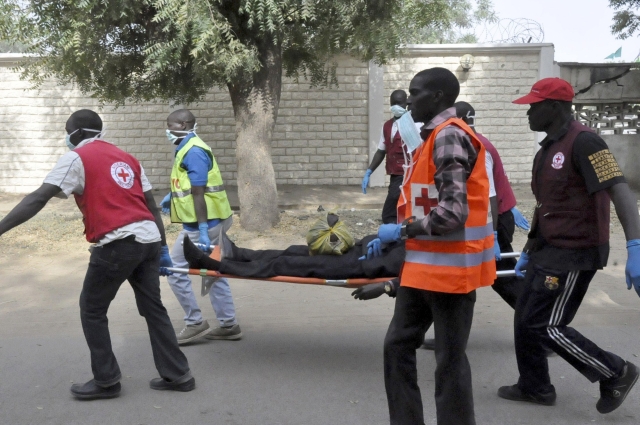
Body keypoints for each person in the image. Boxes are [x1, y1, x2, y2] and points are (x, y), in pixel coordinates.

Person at [0, 110, 194, 400]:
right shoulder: (128, 158)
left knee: (92, 309)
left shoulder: (77, 158)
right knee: (153, 308)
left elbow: (39, 197)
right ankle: (179, 375)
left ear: (76, 133)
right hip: (149, 240)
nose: (66, 138)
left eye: (67, 132)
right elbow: (151, 206)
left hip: (118, 243)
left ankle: (106, 381)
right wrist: (162, 248)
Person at [498, 77, 640, 414]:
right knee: (525, 315)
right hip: (548, 247)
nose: (528, 111)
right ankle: (535, 386)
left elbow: (619, 190)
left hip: (576, 251)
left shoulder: (587, 142)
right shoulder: (547, 149)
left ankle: (616, 371)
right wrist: (530, 246)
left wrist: (635, 244)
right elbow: (547, 203)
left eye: (534, 105)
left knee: (545, 323)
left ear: (556, 107)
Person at [374, 67, 496, 425]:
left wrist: (404, 231)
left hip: (451, 274)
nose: (408, 100)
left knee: (449, 361)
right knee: (398, 347)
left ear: (438, 96)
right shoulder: (431, 137)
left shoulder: (448, 137)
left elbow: (453, 212)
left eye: (415, 93)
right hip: (422, 270)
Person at [420, 101, 530, 350]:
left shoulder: (476, 146)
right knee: (452, 279)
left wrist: (491, 236)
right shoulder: (470, 140)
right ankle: (446, 335)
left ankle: (541, 332)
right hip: (476, 220)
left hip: (493, 221)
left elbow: (490, 194)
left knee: (504, 280)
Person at [161, 109, 241, 345]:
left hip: (203, 225)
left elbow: (199, 192)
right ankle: (228, 324)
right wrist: (171, 196)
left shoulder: (193, 150)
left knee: (175, 270)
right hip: (209, 221)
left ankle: (195, 322)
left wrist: (204, 230)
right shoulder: (188, 146)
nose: (167, 130)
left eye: (170, 124)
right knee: (212, 271)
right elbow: (191, 184)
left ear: (184, 124)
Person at [183, 228, 404, 283]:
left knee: (284, 264)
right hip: (364, 250)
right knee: (293, 251)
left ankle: (213, 264)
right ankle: (240, 254)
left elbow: (395, 267)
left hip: (360, 265)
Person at [362, 90, 422, 224]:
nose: (396, 106)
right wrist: (369, 171)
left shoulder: (415, 124)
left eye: (399, 103)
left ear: (406, 103)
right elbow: (381, 151)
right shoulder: (387, 126)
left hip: (409, 172)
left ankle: (396, 233)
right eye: (393, 103)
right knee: (399, 207)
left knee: (389, 213)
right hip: (395, 173)